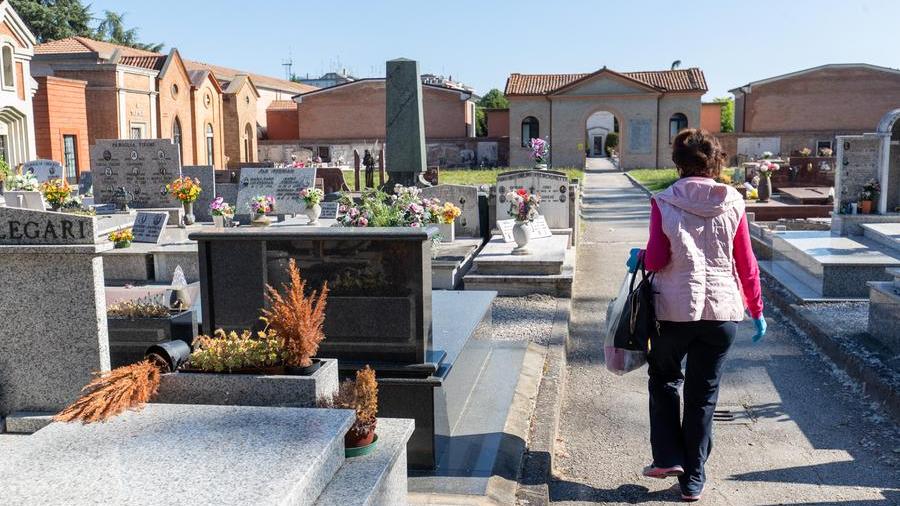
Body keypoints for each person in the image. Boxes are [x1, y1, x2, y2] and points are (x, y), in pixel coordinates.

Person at [625, 128, 766, 502]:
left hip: (672, 312)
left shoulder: (663, 201)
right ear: (716, 160)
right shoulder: (734, 200)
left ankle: (669, 457)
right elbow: (746, 262)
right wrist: (757, 309)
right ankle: (693, 479)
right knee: (703, 395)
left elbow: (656, 259)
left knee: (665, 379)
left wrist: (639, 256)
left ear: (678, 161)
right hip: (722, 314)